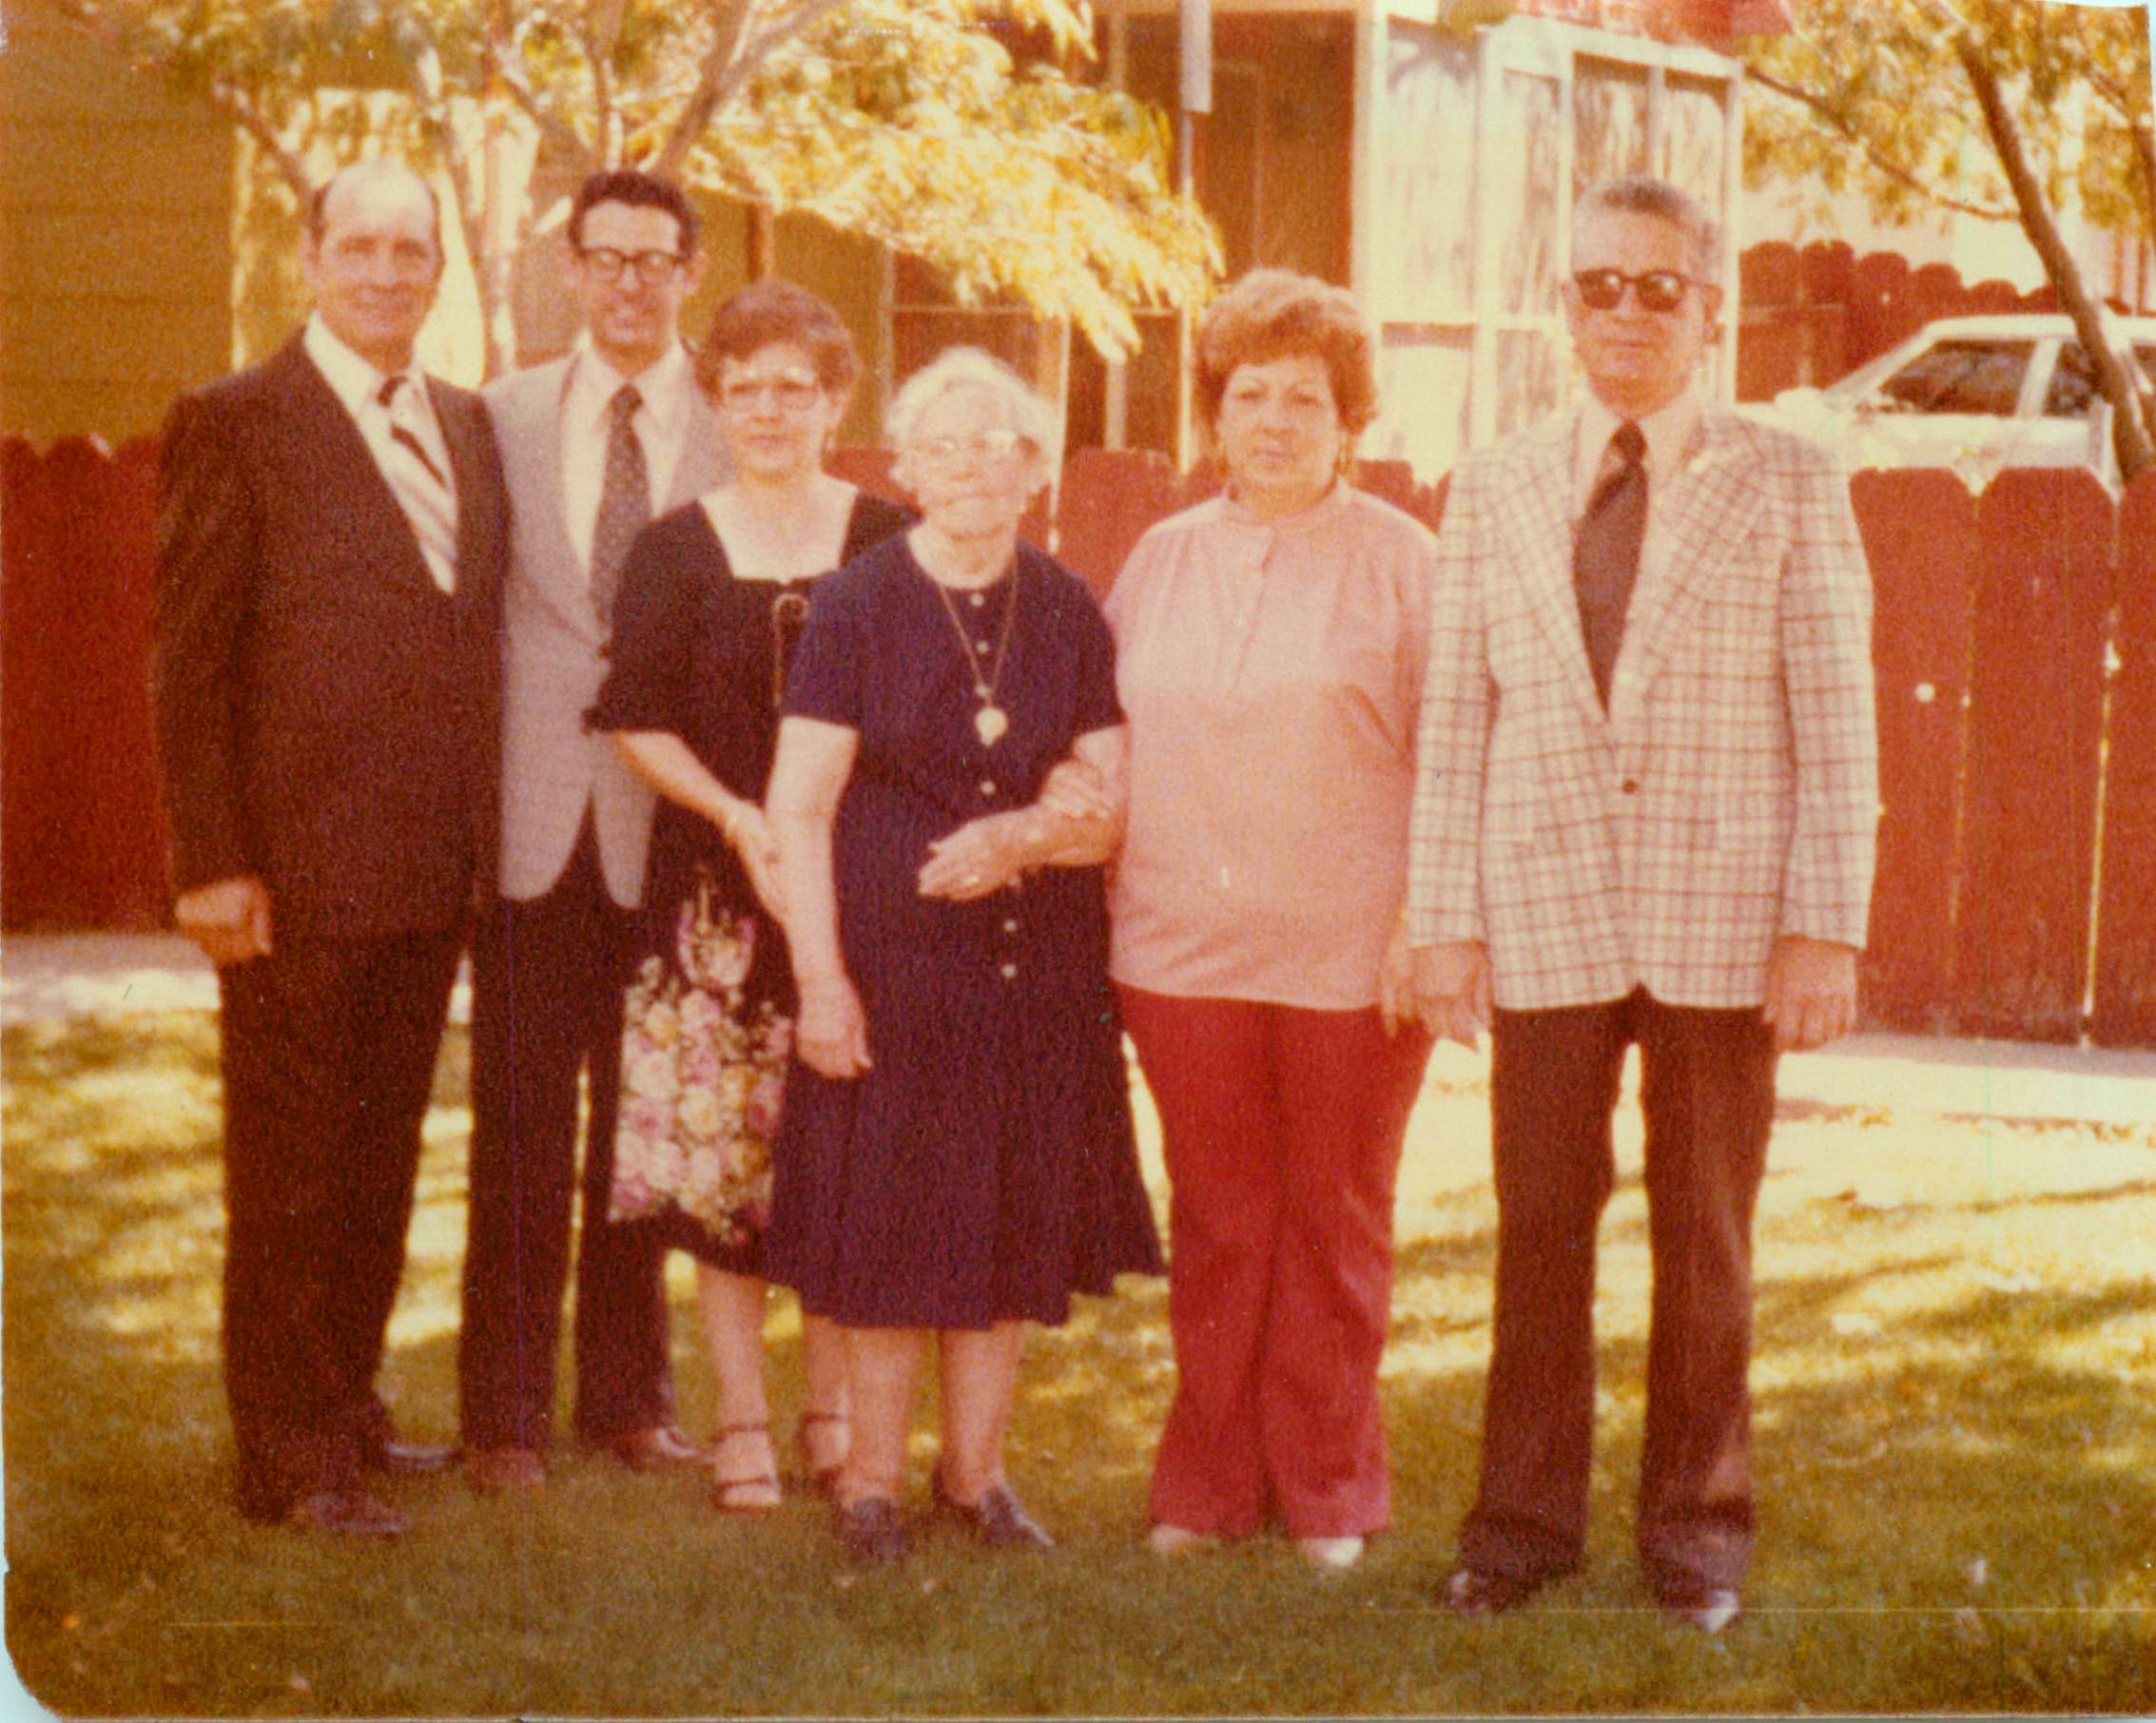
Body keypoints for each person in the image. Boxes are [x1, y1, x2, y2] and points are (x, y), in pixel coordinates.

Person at [1408, 174, 1878, 1632]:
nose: (1622, 311)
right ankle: (1518, 1530)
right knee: (1538, 1231)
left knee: (1704, 1234)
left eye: (1654, 287)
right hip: (1542, 899)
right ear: (1564, 307)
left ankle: (1695, 1536)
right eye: (1594, 285)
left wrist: (1821, 925)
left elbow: (1836, 713)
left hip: (1720, 916)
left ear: (1707, 308)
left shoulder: (1784, 477)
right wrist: (1440, 919)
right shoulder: (1492, 482)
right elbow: (1454, 716)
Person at [150, 160, 507, 1537]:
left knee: (378, 1156)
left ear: (437, 271)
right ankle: (288, 1460)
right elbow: (188, 663)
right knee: (290, 1170)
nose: (384, 273)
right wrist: (210, 861)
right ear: (310, 258)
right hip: (288, 874)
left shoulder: (465, 424)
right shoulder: (236, 422)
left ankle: (346, 1403)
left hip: (424, 867)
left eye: (409, 251)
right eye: (358, 246)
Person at [763, 347, 1163, 1568]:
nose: (970, 468)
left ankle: (975, 1475)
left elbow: (1106, 793)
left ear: (1034, 465)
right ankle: (870, 1487)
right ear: (906, 470)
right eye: (941, 447)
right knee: (888, 1234)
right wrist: (819, 983)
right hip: (890, 971)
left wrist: (1021, 838)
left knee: (1006, 1223)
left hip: (1034, 966)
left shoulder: (1066, 605)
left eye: (994, 445)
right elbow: (797, 808)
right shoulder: (853, 604)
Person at [1102, 269, 1439, 1574]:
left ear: (1348, 418)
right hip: (1178, 947)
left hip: (1351, 955)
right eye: (1249, 396)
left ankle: (1328, 1486)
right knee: (1218, 1217)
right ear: (1213, 414)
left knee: (1333, 1219)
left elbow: (1455, 758)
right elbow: (1103, 745)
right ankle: (1205, 1484)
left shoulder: (1403, 560)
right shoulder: (1160, 558)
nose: (1275, 422)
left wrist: (1422, 922)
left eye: (1305, 398)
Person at [590, 280, 912, 1511]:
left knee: (843, 1163)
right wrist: (735, 816)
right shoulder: (673, 547)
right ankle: (737, 1422)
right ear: (715, 403)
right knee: (720, 1171)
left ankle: (829, 1412)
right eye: (743, 389)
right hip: (714, 907)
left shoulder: (890, 537)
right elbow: (634, 718)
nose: (768, 410)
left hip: (853, 902)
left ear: (835, 402)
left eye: (793, 388)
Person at [457, 170, 727, 1492]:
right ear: (567, 268)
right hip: (529, 820)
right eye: (604, 257)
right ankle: (503, 1416)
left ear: (689, 274)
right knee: (518, 1123)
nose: (628, 282)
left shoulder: (735, 423)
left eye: (653, 259)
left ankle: (628, 1399)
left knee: (644, 1124)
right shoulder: (496, 415)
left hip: (670, 825)